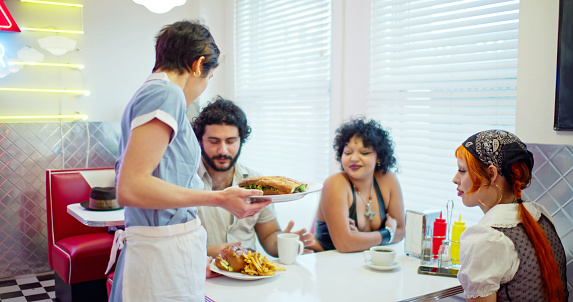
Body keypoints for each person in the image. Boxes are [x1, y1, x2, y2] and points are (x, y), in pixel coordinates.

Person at [107, 20, 270, 302]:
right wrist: (220, 199)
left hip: (164, 249)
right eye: (207, 78)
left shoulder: (150, 94)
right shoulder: (166, 93)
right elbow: (131, 187)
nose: (203, 87)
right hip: (161, 253)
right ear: (198, 65)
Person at [192, 96, 316, 258]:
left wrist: (286, 242)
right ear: (200, 141)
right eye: (214, 141)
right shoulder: (186, 182)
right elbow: (173, 247)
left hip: (249, 275)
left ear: (241, 140)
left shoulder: (257, 182)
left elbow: (268, 237)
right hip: (203, 276)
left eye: (230, 141)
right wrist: (206, 253)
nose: (223, 150)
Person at [453, 129, 568, 302]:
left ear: (491, 174)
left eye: (462, 170)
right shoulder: (541, 216)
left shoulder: (487, 239)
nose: (455, 178)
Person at [312, 116, 405, 252]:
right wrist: (387, 233)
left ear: (378, 157)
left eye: (364, 152)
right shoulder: (335, 184)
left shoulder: (388, 180)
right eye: (348, 152)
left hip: (367, 264)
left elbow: (401, 231)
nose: (354, 159)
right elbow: (345, 244)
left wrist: (359, 239)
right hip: (329, 264)